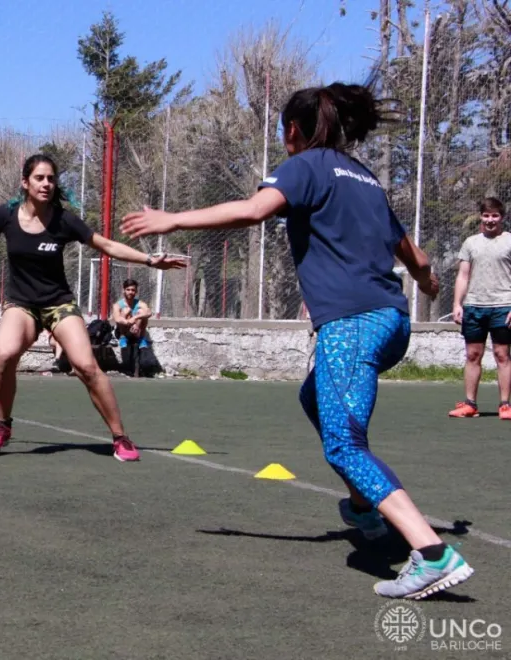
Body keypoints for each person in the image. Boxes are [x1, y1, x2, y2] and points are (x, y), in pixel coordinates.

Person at [121, 81, 474, 600]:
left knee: (342, 442)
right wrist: (428, 284)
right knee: (315, 397)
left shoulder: (304, 165)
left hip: (352, 325)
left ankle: (432, 552)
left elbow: (253, 210)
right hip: (391, 322)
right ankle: (362, 507)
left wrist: (173, 219)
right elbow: (415, 257)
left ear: (292, 130)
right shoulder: (366, 178)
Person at [0, 153, 187, 462]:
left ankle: (120, 437)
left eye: (51, 178)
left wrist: (150, 260)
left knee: (87, 366)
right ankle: (3, 424)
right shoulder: (6, 216)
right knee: (5, 355)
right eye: (39, 178)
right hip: (21, 305)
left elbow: (107, 246)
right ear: (25, 182)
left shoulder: (64, 220)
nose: (46, 183)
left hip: (58, 304)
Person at [449, 197, 511, 419]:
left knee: (502, 354)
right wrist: (457, 304)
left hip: (503, 306)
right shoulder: (470, 243)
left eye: (495, 215)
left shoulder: (509, 241)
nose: (490, 220)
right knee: (473, 354)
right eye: (486, 215)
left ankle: (505, 405)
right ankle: (470, 404)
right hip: (474, 307)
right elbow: (463, 275)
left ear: (502, 217)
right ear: (481, 217)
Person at [111, 279, 158, 377]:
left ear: (136, 291)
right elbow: (117, 318)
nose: (130, 292)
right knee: (125, 310)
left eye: (133, 290)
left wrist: (135, 319)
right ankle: (123, 338)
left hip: (136, 329)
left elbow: (149, 312)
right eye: (128, 290)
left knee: (141, 313)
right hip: (122, 330)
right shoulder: (117, 305)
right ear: (124, 290)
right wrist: (127, 321)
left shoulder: (140, 303)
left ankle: (141, 338)